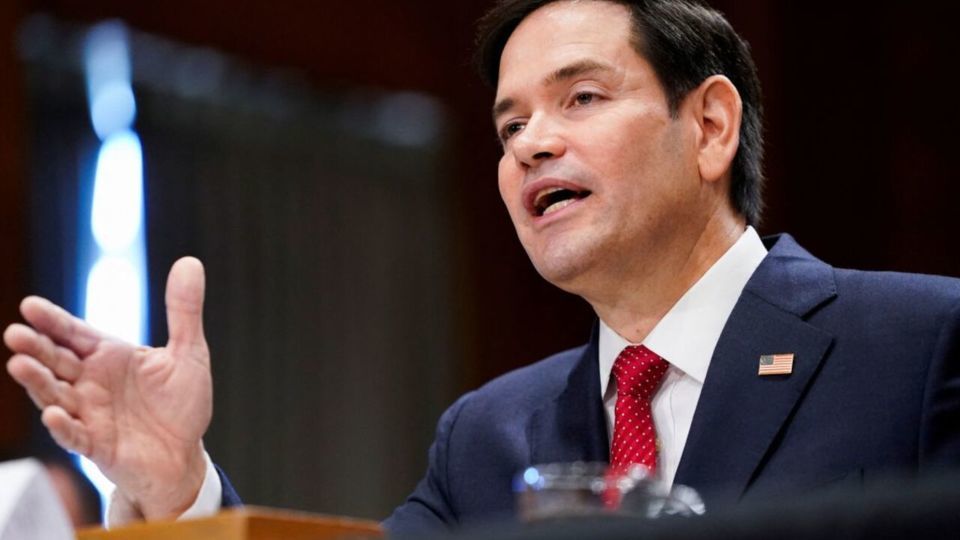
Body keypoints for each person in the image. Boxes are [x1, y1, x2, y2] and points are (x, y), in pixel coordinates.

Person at [5, 0, 960, 534]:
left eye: (580, 98)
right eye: (510, 127)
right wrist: (181, 490)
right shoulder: (486, 434)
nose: (531, 145)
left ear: (709, 126)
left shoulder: (918, 346)